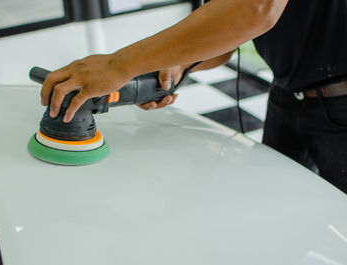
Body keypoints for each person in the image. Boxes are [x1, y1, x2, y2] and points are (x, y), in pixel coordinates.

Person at [40, 0, 347, 194]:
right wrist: (169, 66)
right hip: (287, 94)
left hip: (341, 102)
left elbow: (256, 8)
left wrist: (117, 64)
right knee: (275, 207)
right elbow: (224, 36)